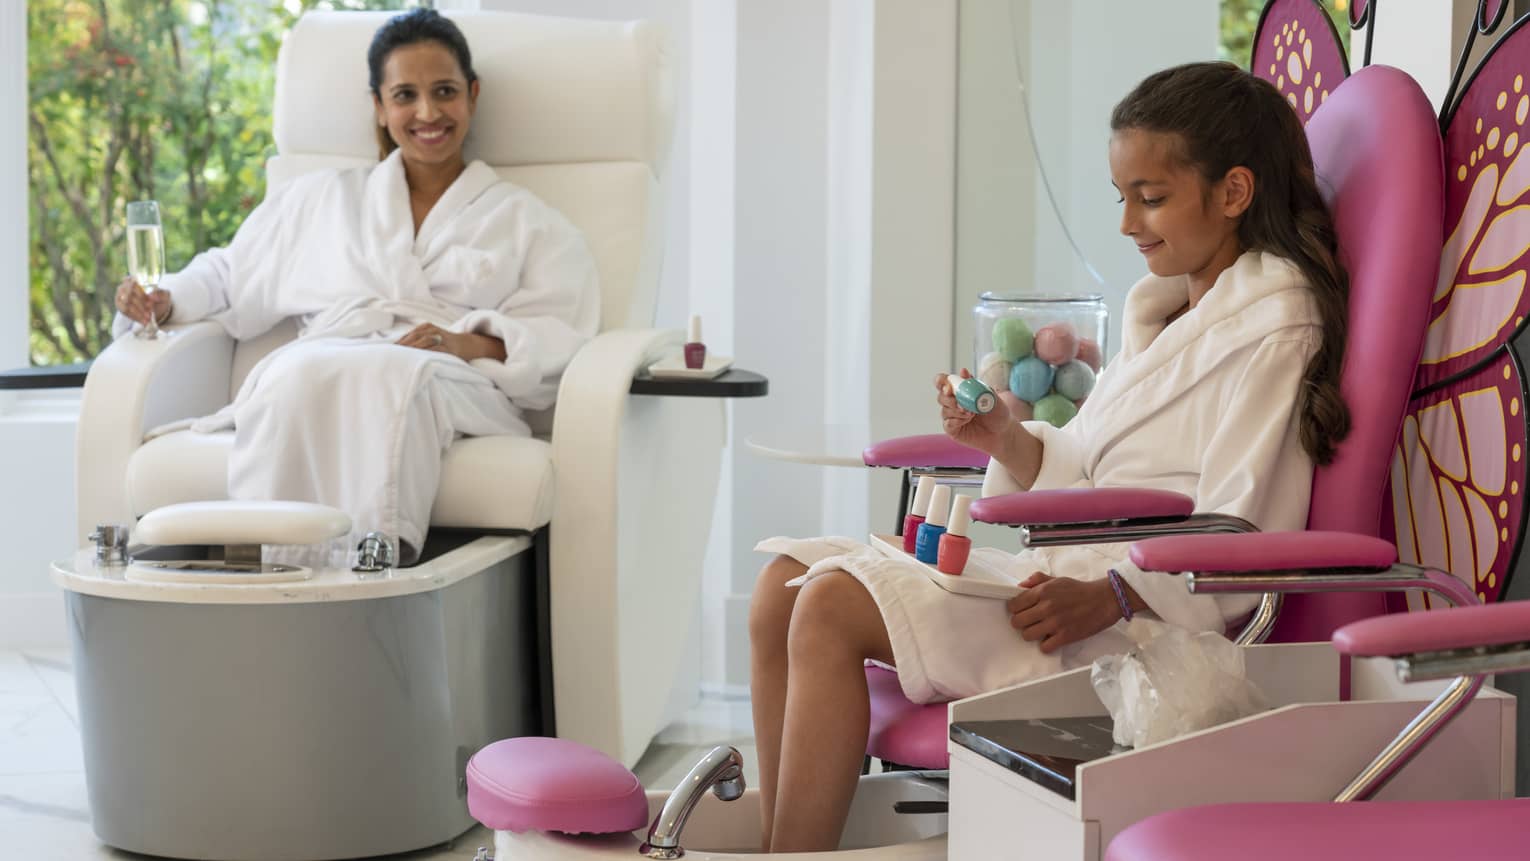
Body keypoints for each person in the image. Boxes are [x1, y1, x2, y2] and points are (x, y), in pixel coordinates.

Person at [749, 61, 1351, 852]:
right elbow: (1089, 465)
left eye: (1153, 196)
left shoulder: (1275, 326)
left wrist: (1116, 594)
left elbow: (1244, 533)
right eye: (1122, 196)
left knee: (825, 605)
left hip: (1141, 634)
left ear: (1234, 192)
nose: (1130, 222)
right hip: (1072, 592)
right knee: (777, 588)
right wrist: (1005, 435)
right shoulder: (1167, 315)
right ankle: (779, 843)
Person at [113, 9, 600, 565]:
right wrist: (165, 297)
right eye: (405, 96)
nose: (428, 113)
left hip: (452, 381)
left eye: (445, 92)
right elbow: (229, 274)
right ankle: (272, 568)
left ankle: (369, 568)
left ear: (473, 94)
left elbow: (559, 337)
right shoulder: (322, 200)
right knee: (296, 369)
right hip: (331, 359)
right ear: (379, 106)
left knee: (390, 371)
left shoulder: (529, 222)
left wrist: (461, 341)